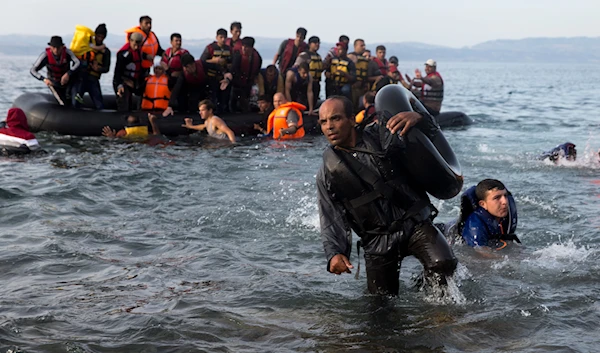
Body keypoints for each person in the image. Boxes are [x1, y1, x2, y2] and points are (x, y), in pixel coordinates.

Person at [317, 95, 457, 295]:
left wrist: (419, 117)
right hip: (377, 241)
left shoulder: (381, 135)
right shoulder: (327, 172)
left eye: (335, 118)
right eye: (324, 121)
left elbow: (432, 140)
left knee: (443, 262)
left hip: (414, 224)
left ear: (351, 119)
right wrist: (335, 253)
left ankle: (439, 315)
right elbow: (329, 214)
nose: (329, 126)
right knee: (381, 307)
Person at [457, 179, 520, 251]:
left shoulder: (503, 215)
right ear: (483, 204)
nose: (504, 202)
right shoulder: (474, 225)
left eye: (505, 196)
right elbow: (480, 253)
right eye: (497, 198)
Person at [163, 53, 231, 115]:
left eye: (187, 67)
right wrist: (170, 106)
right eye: (184, 67)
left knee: (216, 93)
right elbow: (176, 89)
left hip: (207, 87)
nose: (185, 69)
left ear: (193, 64)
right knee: (191, 104)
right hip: (194, 89)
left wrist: (226, 76)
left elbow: (220, 69)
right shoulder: (184, 74)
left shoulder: (203, 65)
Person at [30, 36, 81, 106]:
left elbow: (77, 63)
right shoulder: (45, 55)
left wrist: (68, 74)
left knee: (74, 102)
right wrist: (44, 79)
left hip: (67, 81)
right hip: (54, 83)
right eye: (54, 47)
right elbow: (33, 70)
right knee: (63, 103)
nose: (56, 50)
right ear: (50, 47)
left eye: (58, 47)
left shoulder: (67, 53)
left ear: (62, 47)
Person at [76, 24, 111, 109]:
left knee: (99, 103)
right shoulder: (86, 47)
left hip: (93, 79)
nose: (99, 38)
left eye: (102, 37)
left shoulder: (106, 52)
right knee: (76, 101)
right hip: (82, 78)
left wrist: (99, 69)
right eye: (98, 36)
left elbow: (106, 68)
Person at [113, 32, 147, 111]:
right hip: (122, 82)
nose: (136, 47)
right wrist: (120, 85)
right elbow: (117, 72)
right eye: (135, 44)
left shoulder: (139, 52)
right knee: (124, 102)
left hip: (134, 82)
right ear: (130, 41)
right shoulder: (124, 55)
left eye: (138, 44)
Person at [201, 28, 232, 113]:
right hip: (211, 77)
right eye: (221, 37)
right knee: (212, 99)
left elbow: (232, 63)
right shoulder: (210, 48)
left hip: (223, 78)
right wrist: (213, 61)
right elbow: (202, 61)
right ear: (216, 37)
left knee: (224, 99)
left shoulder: (229, 49)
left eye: (224, 37)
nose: (223, 39)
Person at [230, 37, 262, 113]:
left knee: (247, 101)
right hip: (237, 83)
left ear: (251, 48)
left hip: (249, 82)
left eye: (246, 47)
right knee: (236, 100)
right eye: (243, 46)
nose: (244, 49)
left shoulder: (257, 57)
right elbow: (234, 69)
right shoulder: (238, 55)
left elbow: (258, 67)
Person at [293, 36, 323, 106]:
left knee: (314, 100)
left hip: (316, 82)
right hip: (306, 83)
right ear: (309, 44)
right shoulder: (304, 55)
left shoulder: (318, 56)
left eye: (318, 43)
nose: (317, 44)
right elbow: (296, 66)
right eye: (315, 43)